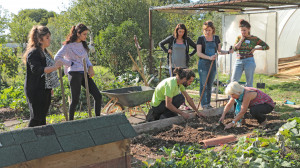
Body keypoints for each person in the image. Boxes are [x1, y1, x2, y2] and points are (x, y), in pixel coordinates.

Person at [55, 23, 102, 120]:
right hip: (74, 74)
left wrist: (91, 67)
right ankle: (70, 121)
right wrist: (69, 64)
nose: (86, 36)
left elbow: (86, 58)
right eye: (84, 34)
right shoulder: (68, 46)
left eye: (86, 34)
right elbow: (57, 57)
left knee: (98, 95)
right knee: (75, 100)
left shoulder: (83, 44)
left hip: (84, 73)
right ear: (78, 33)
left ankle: (98, 119)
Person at [24, 26, 63, 127]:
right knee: (36, 117)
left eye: (49, 37)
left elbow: (47, 73)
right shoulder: (34, 53)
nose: (50, 39)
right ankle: (27, 139)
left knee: (42, 117)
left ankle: (41, 140)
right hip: (35, 89)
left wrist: (49, 87)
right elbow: (37, 70)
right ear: (39, 39)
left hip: (45, 88)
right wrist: (55, 67)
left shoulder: (44, 52)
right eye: (47, 37)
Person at [196, 20, 233, 109]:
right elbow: (199, 53)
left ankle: (208, 103)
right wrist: (209, 57)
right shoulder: (200, 39)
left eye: (209, 30)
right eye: (206, 30)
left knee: (210, 84)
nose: (207, 32)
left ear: (213, 30)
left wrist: (228, 52)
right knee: (203, 84)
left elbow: (219, 51)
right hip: (203, 64)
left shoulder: (216, 38)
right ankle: (204, 104)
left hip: (213, 65)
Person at [232, 19, 269, 87]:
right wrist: (241, 40)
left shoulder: (254, 38)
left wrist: (255, 49)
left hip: (249, 61)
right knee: (233, 81)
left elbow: (266, 46)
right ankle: (232, 97)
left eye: (244, 30)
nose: (243, 32)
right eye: (241, 30)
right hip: (239, 61)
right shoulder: (239, 38)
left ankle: (248, 96)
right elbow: (235, 48)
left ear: (248, 29)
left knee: (249, 82)